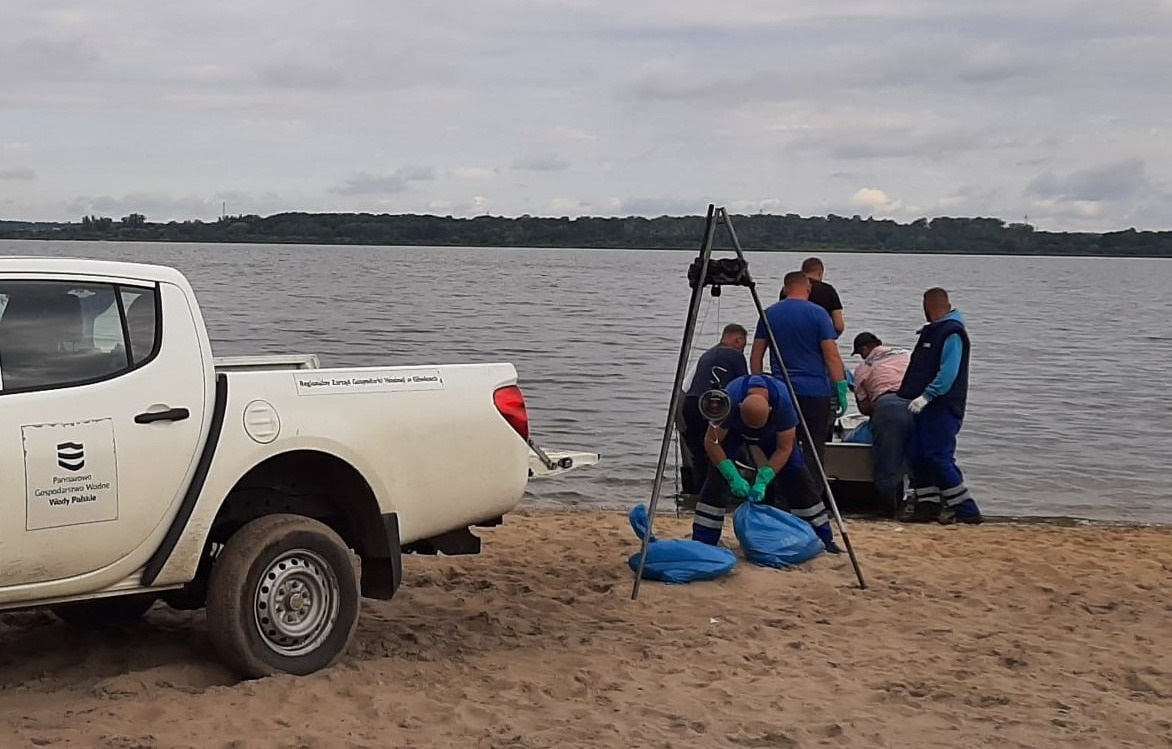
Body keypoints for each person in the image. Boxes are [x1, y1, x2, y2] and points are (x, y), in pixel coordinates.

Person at [691, 373, 841, 553]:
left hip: (772, 434)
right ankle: (704, 540)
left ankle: (821, 537)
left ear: (770, 409)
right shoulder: (728, 400)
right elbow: (712, 442)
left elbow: (784, 448)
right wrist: (731, 475)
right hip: (734, 431)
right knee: (717, 477)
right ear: (739, 407)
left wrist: (765, 477)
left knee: (797, 474)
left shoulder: (784, 403)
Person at [897, 288, 982, 524]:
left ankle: (965, 509)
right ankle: (927, 506)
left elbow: (948, 372)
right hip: (924, 406)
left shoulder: (952, 333)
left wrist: (927, 396)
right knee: (918, 454)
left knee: (937, 455)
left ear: (928, 307)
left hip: (942, 405)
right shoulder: (933, 331)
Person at [751, 271, 849, 472]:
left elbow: (756, 356)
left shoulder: (769, 314)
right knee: (814, 448)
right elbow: (831, 356)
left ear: (785, 288)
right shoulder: (819, 314)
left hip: (782, 392)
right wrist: (841, 388)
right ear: (808, 288)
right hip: (815, 392)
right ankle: (813, 488)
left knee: (783, 447)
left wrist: (758, 388)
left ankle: (784, 489)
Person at [678, 323, 749, 494]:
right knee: (718, 450)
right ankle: (718, 493)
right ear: (737, 340)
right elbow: (743, 385)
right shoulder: (736, 356)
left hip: (691, 403)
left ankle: (697, 493)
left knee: (698, 454)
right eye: (744, 345)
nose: (743, 349)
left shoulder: (707, 355)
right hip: (714, 406)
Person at [851, 331, 913, 514]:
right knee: (920, 455)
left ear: (865, 349)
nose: (862, 357)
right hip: (919, 401)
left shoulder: (863, 368)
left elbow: (865, 408)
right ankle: (923, 504)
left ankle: (888, 509)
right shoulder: (906, 354)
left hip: (888, 407)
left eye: (860, 353)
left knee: (887, 459)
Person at [780, 257, 845, 336]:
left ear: (802, 271)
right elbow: (839, 326)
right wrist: (830, 337)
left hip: (790, 336)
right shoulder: (828, 290)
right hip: (819, 338)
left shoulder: (788, 289)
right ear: (820, 273)